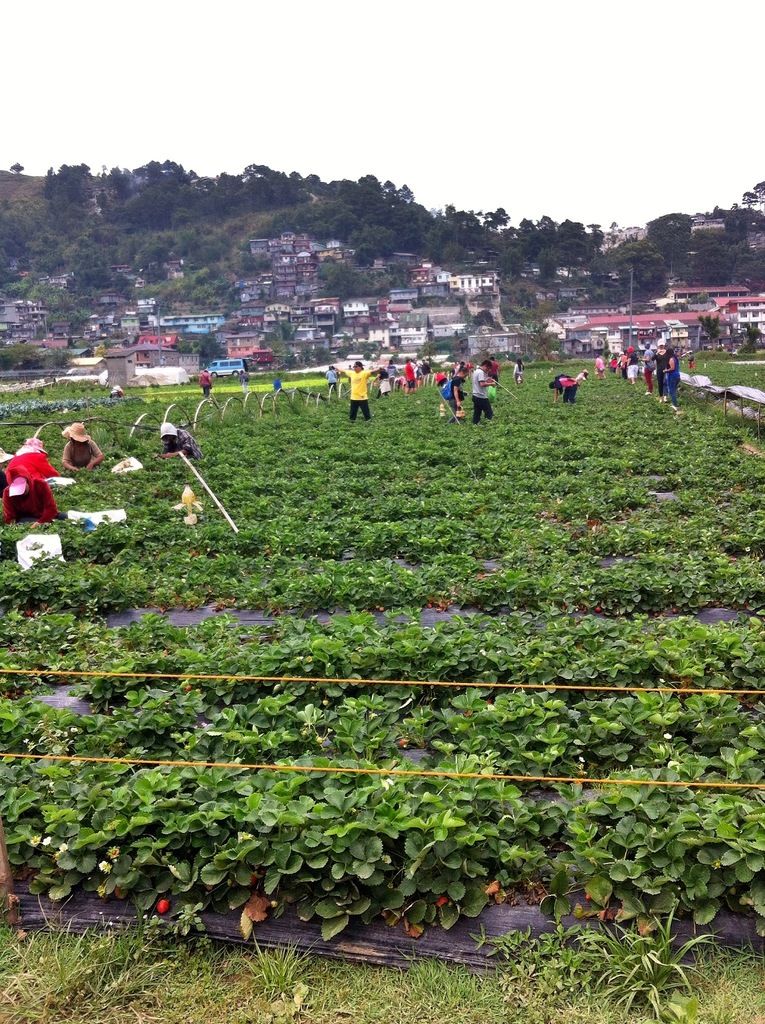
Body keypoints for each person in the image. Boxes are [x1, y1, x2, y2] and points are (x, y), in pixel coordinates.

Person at [664, 347, 682, 413]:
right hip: (676, 375)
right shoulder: (675, 358)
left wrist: (666, 370)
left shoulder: (671, 359)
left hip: (673, 376)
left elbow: (672, 368)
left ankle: (675, 405)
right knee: (673, 390)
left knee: (672, 391)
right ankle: (674, 402)